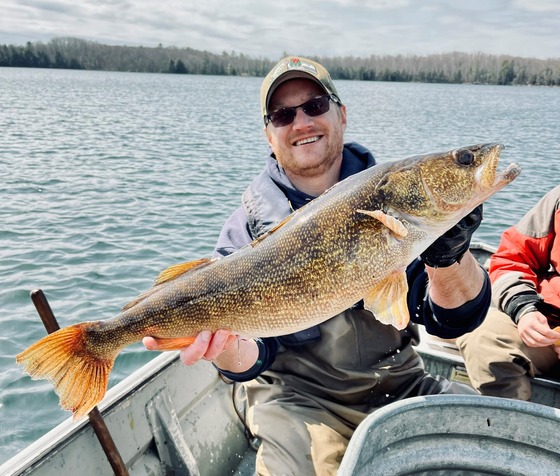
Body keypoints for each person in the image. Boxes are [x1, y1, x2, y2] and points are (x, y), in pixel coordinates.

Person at [144, 56, 490, 475]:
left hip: (401, 383)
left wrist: (447, 255)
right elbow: (253, 359)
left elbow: (452, 320)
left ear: (341, 114)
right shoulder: (248, 229)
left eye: (314, 106)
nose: (302, 122)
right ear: (268, 134)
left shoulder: (397, 196)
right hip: (299, 400)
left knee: (491, 447)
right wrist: (225, 348)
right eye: (283, 115)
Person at [457, 186, 560, 400]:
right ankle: (510, 429)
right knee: (485, 335)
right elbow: (512, 260)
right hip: (549, 327)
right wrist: (524, 309)